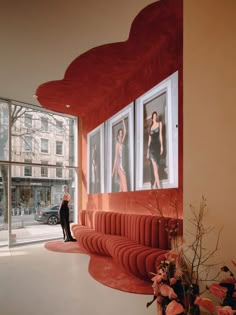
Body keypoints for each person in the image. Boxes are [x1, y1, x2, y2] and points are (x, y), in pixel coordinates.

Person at [146, 111, 163, 189]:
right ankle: (159, 186)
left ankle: (154, 185)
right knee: (155, 168)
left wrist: (162, 146)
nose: (155, 117)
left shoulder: (160, 124)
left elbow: (160, 136)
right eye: (154, 116)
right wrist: (147, 151)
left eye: (156, 116)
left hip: (157, 147)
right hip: (152, 148)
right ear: (152, 118)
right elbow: (149, 140)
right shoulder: (150, 127)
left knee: (158, 166)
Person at [112, 118, 128, 192]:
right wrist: (113, 171)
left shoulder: (122, 142)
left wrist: (123, 121)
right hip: (119, 166)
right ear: (118, 135)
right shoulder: (117, 144)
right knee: (125, 186)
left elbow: (125, 131)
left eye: (121, 134)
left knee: (121, 188)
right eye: (120, 134)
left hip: (124, 165)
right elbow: (116, 157)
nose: (121, 135)